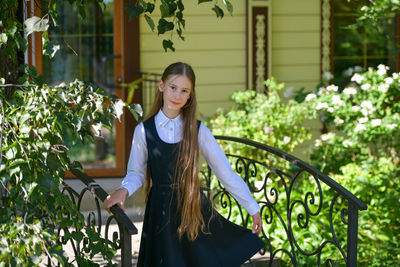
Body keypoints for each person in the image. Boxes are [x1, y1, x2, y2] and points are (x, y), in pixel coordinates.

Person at [104, 62, 264, 267]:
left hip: (194, 210)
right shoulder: (144, 131)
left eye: (184, 91)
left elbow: (225, 173)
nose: (177, 95)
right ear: (161, 86)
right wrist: (123, 191)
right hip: (160, 214)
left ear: (190, 95)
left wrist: (252, 207)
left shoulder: (198, 130)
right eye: (173, 88)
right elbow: (137, 173)